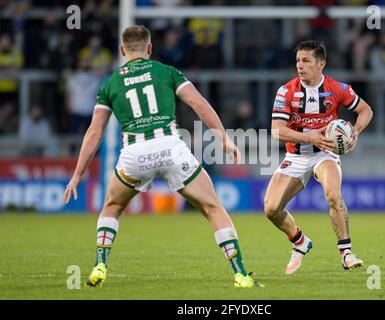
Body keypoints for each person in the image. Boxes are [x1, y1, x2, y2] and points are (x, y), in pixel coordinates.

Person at [64, 25, 261, 288]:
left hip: (134, 154)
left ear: (122, 51)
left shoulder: (110, 83)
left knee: (112, 206)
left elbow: (94, 131)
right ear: (150, 48)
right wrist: (223, 137)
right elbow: (198, 103)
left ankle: (100, 264)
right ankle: (241, 274)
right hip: (170, 148)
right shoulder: (166, 71)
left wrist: (77, 174)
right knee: (213, 208)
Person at [264, 40, 373, 274]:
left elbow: (366, 110)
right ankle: (300, 241)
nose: (300, 66)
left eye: (306, 61)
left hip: (325, 153)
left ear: (321, 64)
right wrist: (308, 137)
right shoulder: (286, 92)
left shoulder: (338, 88)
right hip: (296, 155)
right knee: (271, 209)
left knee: (333, 195)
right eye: (297, 61)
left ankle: (346, 253)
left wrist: (355, 131)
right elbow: (277, 130)